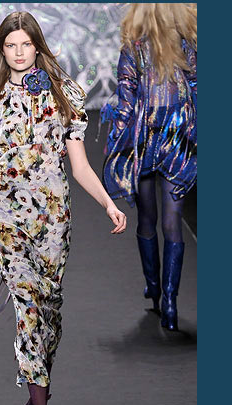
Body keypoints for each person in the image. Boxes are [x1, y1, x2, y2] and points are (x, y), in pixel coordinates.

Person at [0, 11, 126, 405]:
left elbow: (79, 166)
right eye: (10, 45)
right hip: (7, 220)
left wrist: (108, 202)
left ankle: (37, 392)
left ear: (37, 46)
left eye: (25, 44)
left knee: (50, 312)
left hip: (54, 219)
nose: (18, 52)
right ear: (1, 50)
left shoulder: (64, 94)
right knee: (29, 311)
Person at [101, 3, 197, 332]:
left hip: (144, 138)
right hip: (177, 137)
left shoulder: (134, 47)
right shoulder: (186, 44)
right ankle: (169, 301)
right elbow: (197, 88)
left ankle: (155, 289)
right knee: (172, 222)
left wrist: (117, 137)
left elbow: (126, 97)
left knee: (148, 218)